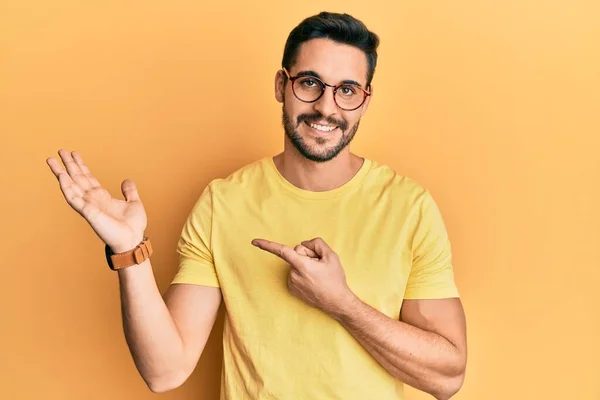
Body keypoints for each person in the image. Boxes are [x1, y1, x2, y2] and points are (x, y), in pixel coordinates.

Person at [46, 11, 467, 400]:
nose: (326, 106)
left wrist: (341, 303)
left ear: (365, 100)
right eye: (310, 83)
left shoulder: (408, 207)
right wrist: (129, 250)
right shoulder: (222, 202)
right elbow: (165, 371)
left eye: (347, 91)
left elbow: (447, 377)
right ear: (282, 85)